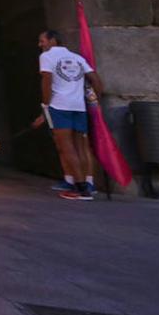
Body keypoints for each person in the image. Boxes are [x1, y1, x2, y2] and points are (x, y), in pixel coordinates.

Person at [36, 30, 103, 202]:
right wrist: (95, 100)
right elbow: (95, 79)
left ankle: (79, 188)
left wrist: (46, 104)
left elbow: (46, 80)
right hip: (79, 106)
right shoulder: (77, 57)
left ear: (52, 40)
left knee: (66, 147)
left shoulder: (47, 57)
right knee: (81, 146)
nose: (40, 44)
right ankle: (87, 184)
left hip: (60, 105)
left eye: (42, 41)